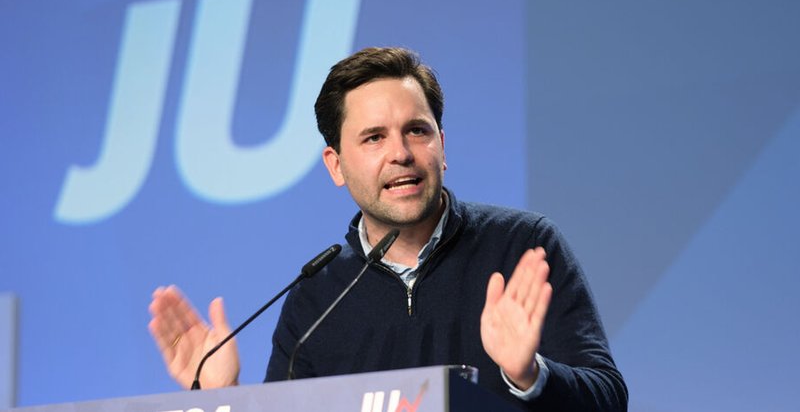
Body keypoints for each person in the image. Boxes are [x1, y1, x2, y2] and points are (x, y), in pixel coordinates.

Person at [149, 47, 628, 411]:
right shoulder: (317, 296)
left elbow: (608, 397)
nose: (400, 152)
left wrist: (528, 374)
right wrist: (221, 398)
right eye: (374, 137)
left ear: (441, 145)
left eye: (416, 131)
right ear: (336, 166)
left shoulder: (521, 246)